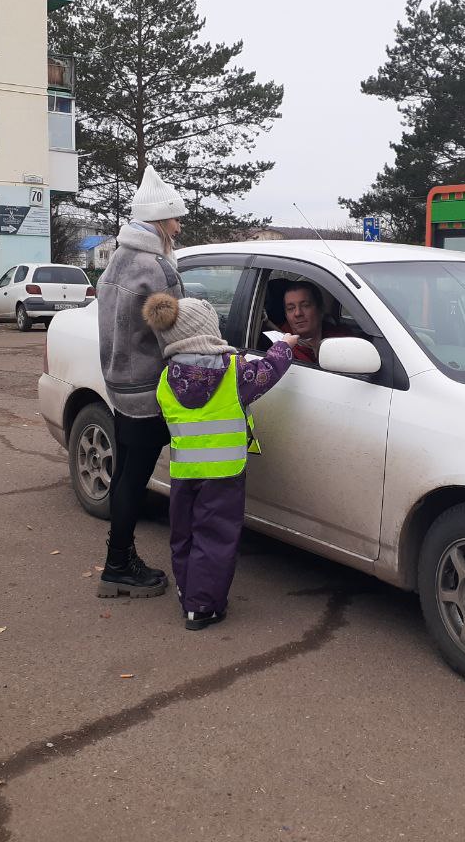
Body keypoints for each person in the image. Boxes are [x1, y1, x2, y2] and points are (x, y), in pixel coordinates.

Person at [143, 292, 296, 630]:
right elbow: (269, 371)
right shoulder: (235, 372)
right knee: (215, 538)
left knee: (184, 534)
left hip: (184, 472)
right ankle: (203, 607)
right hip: (225, 473)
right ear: (209, 331)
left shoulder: (166, 379)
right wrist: (284, 344)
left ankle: (188, 593)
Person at [94, 166, 186, 599]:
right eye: (174, 220)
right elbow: (180, 331)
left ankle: (120, 558)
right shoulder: (157, 269)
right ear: (158, 223)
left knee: (124, 474)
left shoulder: (118, 259)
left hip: (118, 383)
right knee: (135, 478)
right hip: (149, 391)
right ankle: (118, 565)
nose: (178, 227)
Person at [277, 280, 352, 366]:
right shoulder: (280, 350)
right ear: (286, 315)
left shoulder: (342, 339)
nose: (298, 313)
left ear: (321, 309)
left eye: (305, 305)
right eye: (291, 308)